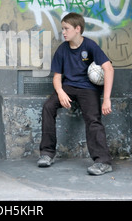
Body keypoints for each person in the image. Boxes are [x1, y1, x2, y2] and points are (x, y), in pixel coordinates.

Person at [37, 12, 114, 175]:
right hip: (68, 87)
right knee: (48, 107)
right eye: (62, 28)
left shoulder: (90, 46)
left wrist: (106, 99)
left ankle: (103, 161)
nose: (63, 32)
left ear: (77, 29)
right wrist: (60, 93)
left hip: (88, 89)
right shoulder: (62, 50)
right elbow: (57, 77)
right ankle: (47, 153)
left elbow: (108, 68)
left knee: (93, 118)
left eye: (66, 28)